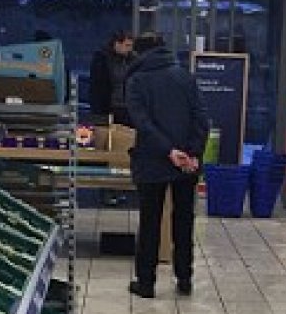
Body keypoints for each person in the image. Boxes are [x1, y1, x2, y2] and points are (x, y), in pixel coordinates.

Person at [125, 32, 209, 299]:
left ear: (138, 53)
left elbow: (143, 123)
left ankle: (146, 283)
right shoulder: (185, 77)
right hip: (186, 163)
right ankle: (184, 279)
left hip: (152, 160)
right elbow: (201, 118)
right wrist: (192, 152)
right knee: (184, 220)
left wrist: (168, 150)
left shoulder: (136, 80)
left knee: (150, 221)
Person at [89, 31, 133, 124]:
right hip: (107, 108)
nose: (130, 49)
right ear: (117, 44)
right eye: (127, 45)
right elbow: (98, 87)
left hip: (125, 108)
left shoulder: (130, 60)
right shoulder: (102, 60)